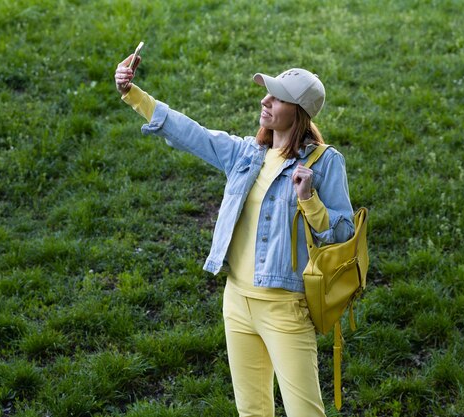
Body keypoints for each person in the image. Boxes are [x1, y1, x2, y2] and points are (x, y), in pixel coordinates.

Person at [114, 51, 354, 417]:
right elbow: (190, 133)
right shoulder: (246, 153)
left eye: (277, 97)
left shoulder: (324, 163)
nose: (265, 100)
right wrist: (134, 94)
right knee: (251, 413)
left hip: (286, 309)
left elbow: (342, 235)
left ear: (299, 112)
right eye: (267, 93)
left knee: (306, 413)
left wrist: (310, 202)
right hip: (237, 303)